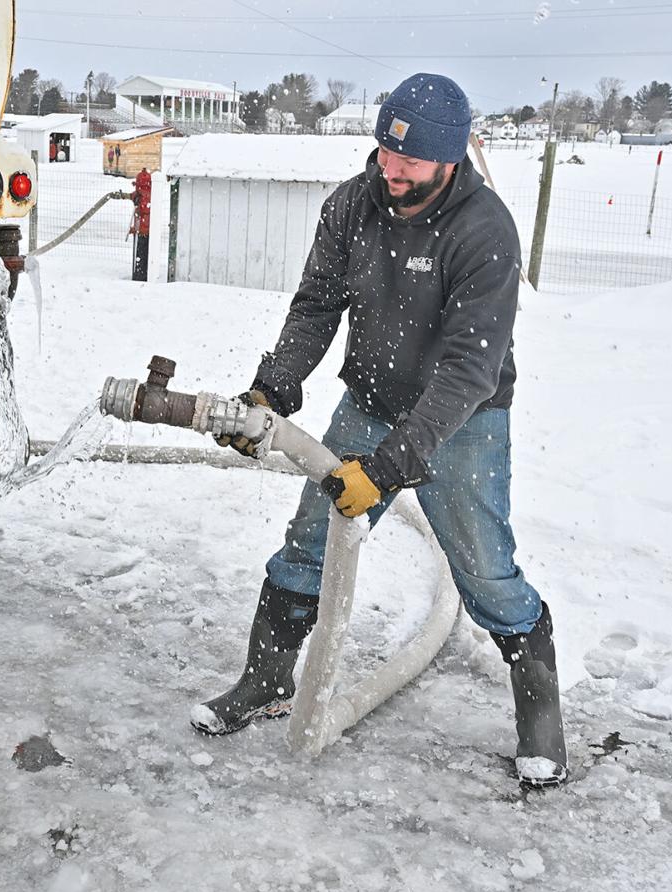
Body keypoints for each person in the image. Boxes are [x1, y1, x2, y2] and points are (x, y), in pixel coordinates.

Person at [192, 73, 567, 788]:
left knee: (484, 571)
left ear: (449, 159)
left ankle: (540, 722)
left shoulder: (482, 229)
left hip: (462, 421)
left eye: (411, 162)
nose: (391, 171)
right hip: (367, 403)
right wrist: (273, 389)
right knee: (306, 544)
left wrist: (393, 463)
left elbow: (467, 370)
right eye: (385, 154)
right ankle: (265, 683)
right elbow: (314, 308)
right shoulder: (350, 205)